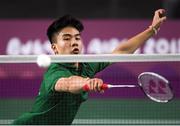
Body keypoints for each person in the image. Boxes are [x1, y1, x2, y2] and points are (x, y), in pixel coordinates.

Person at [12, 9, 166, 125]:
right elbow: (67, 83)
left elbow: (121, 51)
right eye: (66, 38)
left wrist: (152, 29)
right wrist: (87, 83)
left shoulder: (87, 64)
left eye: (77, 38)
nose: (74, 42)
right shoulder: (55, 71)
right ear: (55, 48)